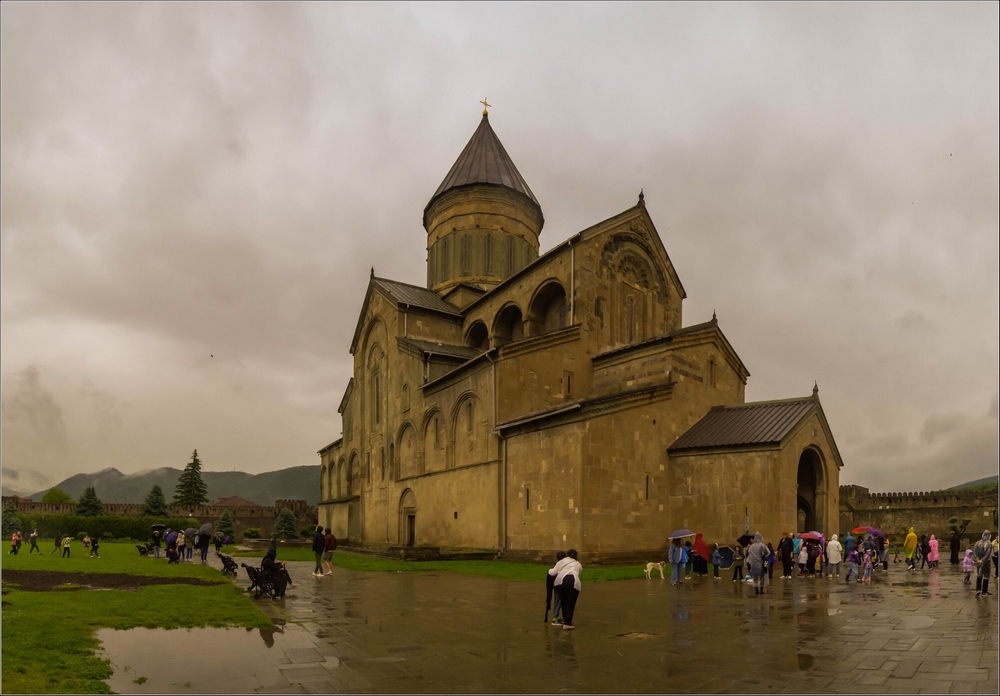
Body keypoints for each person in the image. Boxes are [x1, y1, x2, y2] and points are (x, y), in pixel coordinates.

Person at [548, 548, 582, 630]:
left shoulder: (561, 561)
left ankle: (565, 621)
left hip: (559, 582)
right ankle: (567, 623)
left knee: (564, 602)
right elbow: (578, 575)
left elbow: (552, 573)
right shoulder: (578, 564)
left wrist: (549, 570)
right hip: (572, 581)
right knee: (570, 603)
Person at [973, 530, 992, 597]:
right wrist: (982, 560)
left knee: (979, 575)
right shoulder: (989, 544)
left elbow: (974, 553)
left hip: (978, 562)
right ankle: (984, 591)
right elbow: (988, 554)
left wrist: (977, 559)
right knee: (986, 576)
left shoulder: (977, 543)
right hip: (986, 562)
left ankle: (978, 589)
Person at [550, 551, 566, 624]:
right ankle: (555, 617)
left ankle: (557, 616)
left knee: (558, 600)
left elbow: (552, 572)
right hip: (561, 583)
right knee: (559, 600)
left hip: (557, 583)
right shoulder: (564, 563)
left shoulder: (558, 563)